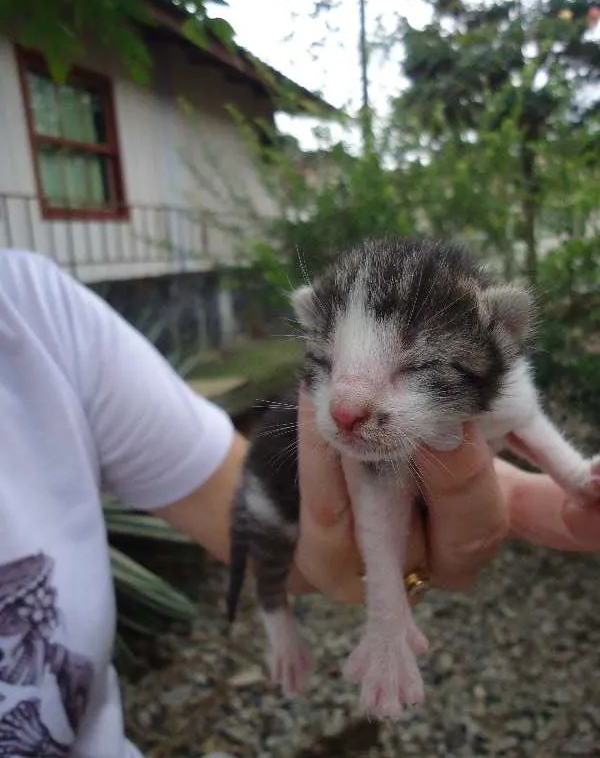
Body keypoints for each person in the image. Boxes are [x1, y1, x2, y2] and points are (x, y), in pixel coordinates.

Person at [0, 249, 597, 757]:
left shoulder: (35, 313)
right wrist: (380, 614)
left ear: (503, 338)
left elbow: (522, 419)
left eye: (413, 365)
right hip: (285, 495)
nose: (343, 407)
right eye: (328, 365)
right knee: (269, 521)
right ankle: (274, 618)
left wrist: (575, 475)